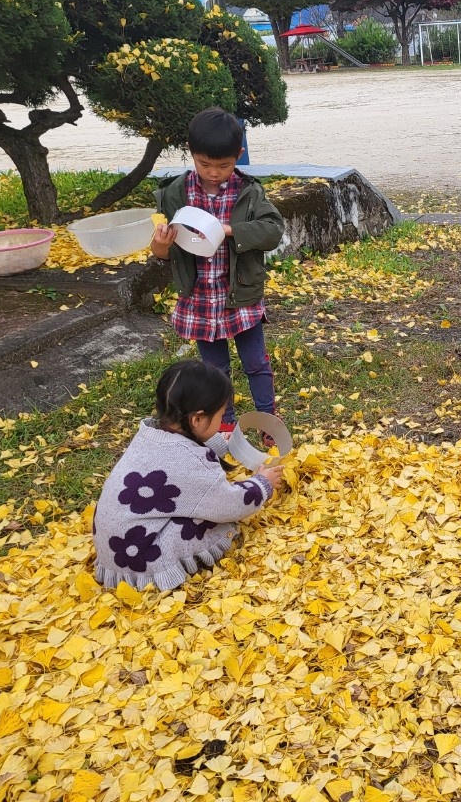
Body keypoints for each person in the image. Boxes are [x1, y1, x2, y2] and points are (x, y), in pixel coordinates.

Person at [151, 107, 286, 434]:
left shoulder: (249, 192)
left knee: (256, 363)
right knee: (215, 368)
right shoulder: (174, 194)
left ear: (238, 155)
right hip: (200, 299)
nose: (214, 172)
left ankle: (268, 420)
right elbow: (160, 253)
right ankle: (224, 426)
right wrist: (162, 243)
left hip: (240, 296)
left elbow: (273, 230)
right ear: (191, 153)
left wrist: (230, 230)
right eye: (205, 164)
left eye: (224, 165)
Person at [93, 360, 282, 591]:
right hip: (141, 559)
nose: (223, 422)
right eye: (221, 417)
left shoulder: (151, 435)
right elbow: (228, 503)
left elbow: (188, 445)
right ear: (198, 419)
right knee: (210, 518)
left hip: (112, 548)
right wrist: (262, 484)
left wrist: (220, 444)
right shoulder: (191, 463)